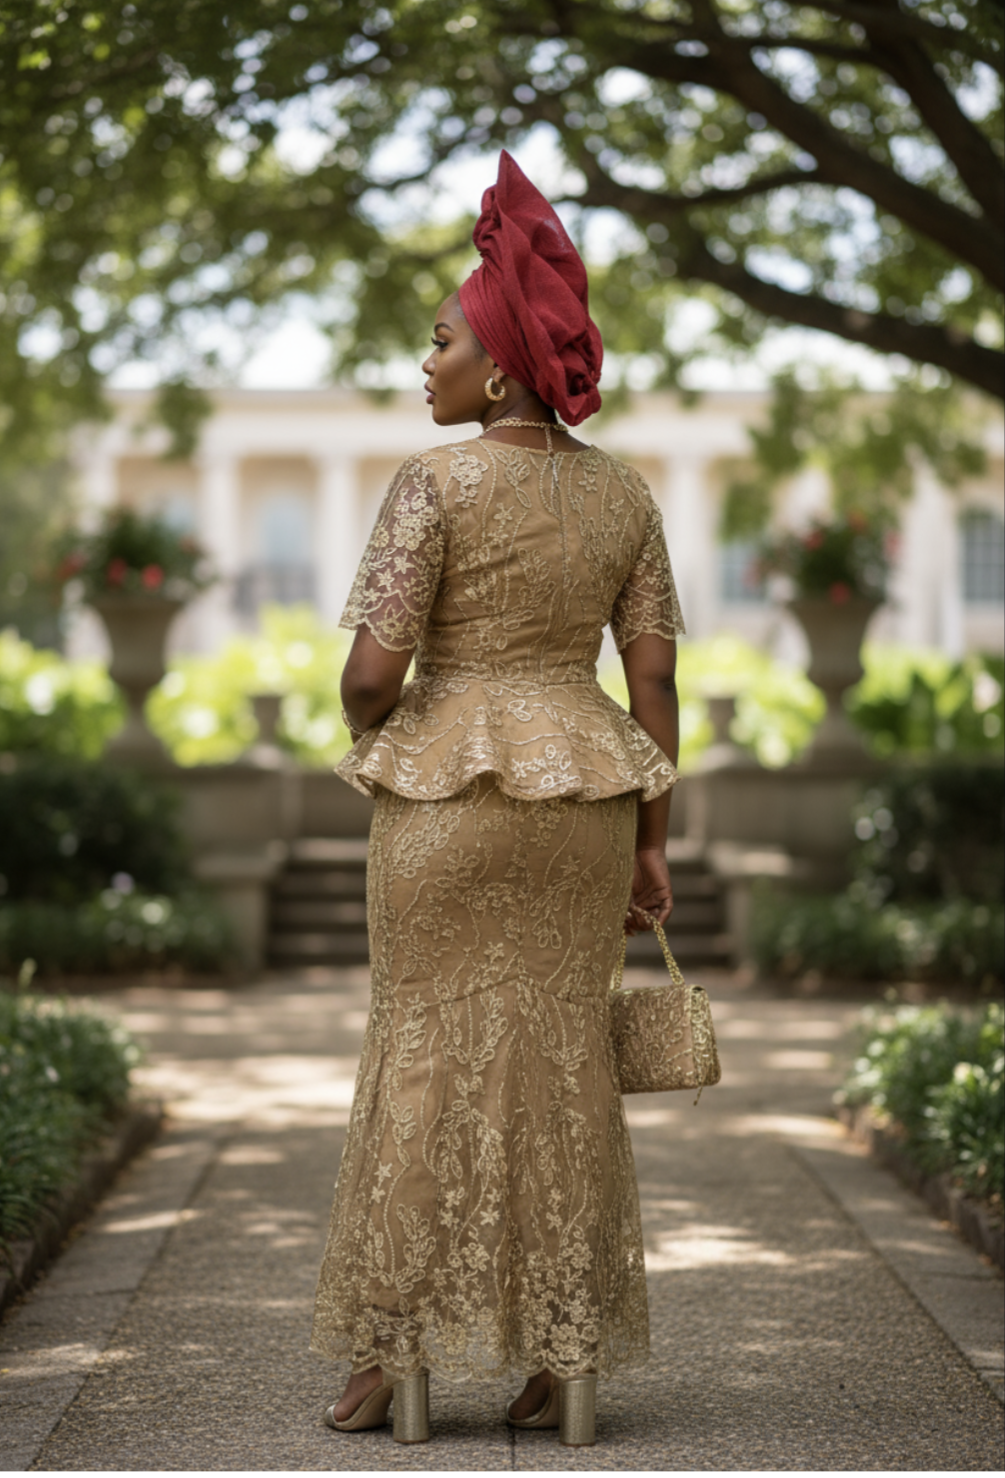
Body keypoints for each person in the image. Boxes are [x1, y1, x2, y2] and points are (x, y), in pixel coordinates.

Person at [311, 150, 684, 1449]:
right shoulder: (626, 494)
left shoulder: (433, 485)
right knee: (564, 1067)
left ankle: (387, 1359)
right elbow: (654, 695)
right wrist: (649, 845)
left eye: (439, 345)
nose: (427, 366)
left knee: (417, 1058)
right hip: (583, 798)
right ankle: (558, 1356)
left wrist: (381, 722)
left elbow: (371, 674)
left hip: (444, 802)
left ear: (503, 368)